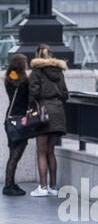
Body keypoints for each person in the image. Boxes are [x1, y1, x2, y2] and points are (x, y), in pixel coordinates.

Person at [28, 45, 68, 197]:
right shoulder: (59, 71)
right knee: (51, 151)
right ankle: (52, 186)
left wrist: (31, 107)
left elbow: (34, 93)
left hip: (43, 113)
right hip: (58, 112)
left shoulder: (37, 71)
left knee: (41, 151)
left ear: (37, 55)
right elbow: (65, 93)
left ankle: (43, 187)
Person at [2, 53, 30, 196]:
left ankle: (10, 183)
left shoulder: (8, 79)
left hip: (10, 120)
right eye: (25, 62)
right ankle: (8, 185)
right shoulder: (24, 81)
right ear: (21, 65)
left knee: (13, 153)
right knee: (15, 155)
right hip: (20, 120)